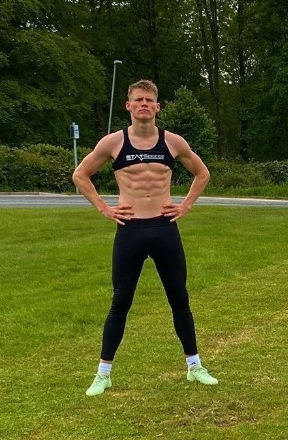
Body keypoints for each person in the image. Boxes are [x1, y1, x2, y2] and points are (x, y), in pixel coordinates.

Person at [72, 79, 217, 396]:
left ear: (157, 107)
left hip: (165, 229)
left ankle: (195, 366)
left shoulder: (172, 142)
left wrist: (185, 205)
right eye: (138, 100)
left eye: (149, 100)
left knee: (179, 298)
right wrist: (104, 208)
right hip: (130, 230)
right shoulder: (114, 143)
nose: (144, 104)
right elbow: (80, 174)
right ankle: (103, 374)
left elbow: (202, 172)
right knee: (120, 301)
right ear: (128, 105)